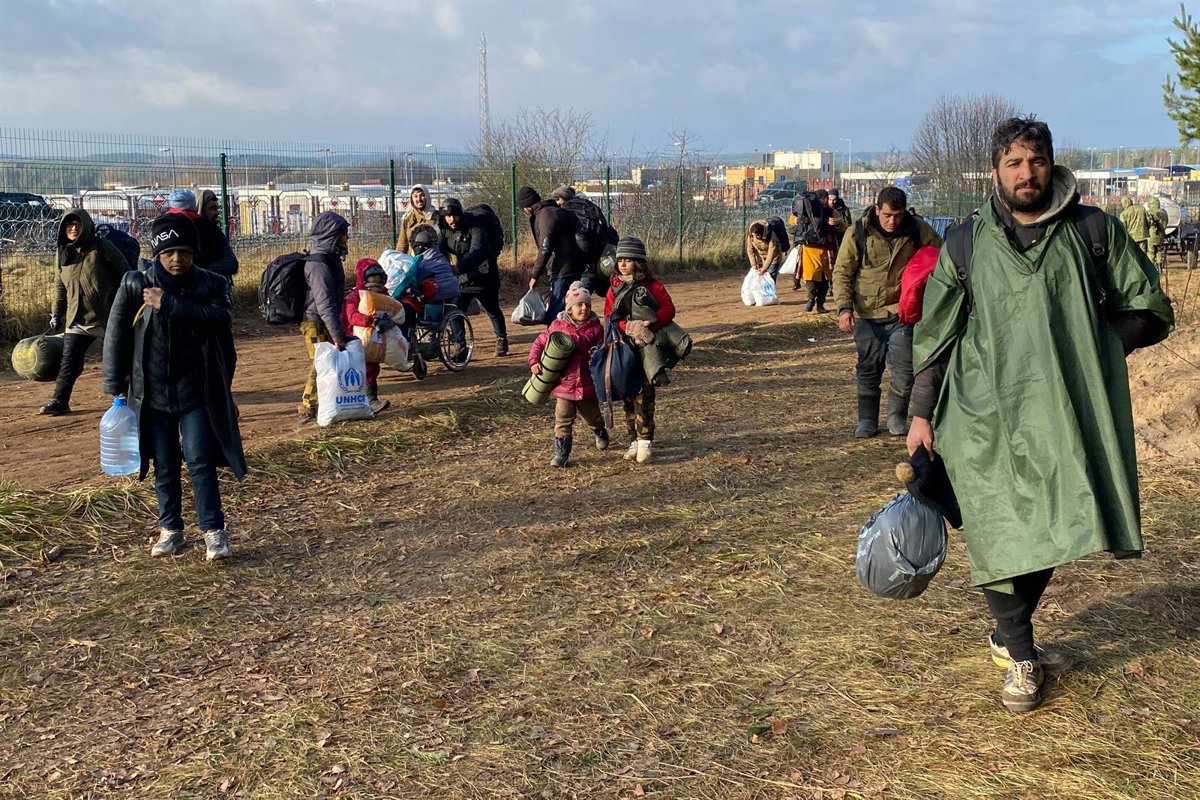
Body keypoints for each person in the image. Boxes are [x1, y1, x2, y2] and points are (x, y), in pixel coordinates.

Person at [910, 116, 1173, 713]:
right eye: (1013, 163)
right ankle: (1021, 655)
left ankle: (1007, 636)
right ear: (994, 172)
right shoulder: (966, 243)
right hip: (982, 412)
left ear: (1051, 165)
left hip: (1064, 411)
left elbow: (1148, 306)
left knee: (1057, 516)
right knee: (998, 525)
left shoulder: (1091, 229)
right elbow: (936, 337)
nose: (1025, 173)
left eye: (1036, 161)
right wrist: (920, 414)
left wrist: (1101, 347)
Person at [102, 213, 246, 562]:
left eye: (184, 252)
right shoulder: (135, 284)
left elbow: (220, 318)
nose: (177, 259)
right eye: (169, 252)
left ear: (194, 253)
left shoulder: (211, 284)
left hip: (196, 391)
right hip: (151, 393)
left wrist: (169, 304)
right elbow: (116, 335)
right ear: (157, 253)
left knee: (200, 459)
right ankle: (171, 529)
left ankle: (213, 531)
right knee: (164, 464)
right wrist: (115, 385)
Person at [833, 186, 942, 438]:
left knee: (905, 371)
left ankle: (897, 418)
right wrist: (844, 308)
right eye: (887, 215)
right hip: (866, 314)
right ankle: (867, 420)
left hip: (901, 314)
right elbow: (842, 273)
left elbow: (942, 255)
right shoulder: (857, 233)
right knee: (869, 370)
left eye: (898, 215)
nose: (893, 221)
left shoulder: (917, 229)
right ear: (877, 209)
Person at [40, 208, 131, 416]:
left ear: (86, 226)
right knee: (69, 362)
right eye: (69, 225)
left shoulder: (101, 247)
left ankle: (126, 399)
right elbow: (60, 287)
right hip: (78, 319)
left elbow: (126, 273)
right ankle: (60, 400)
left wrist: (125, 305)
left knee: (117, 360)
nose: (73, 229)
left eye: (77, 224)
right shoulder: (63, 253)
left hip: (107, 316)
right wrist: (56, 314)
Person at [604, 236, 675, 465]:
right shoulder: (614, 287)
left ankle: (645, 439)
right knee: (627, 393)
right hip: (623, 349)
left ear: (639, 261)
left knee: (645, 394)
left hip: (647, 348)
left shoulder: (653, 285)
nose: (623, 264)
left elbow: (669, 309)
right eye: (620, 260)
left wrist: (648, 325)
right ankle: (633, 439)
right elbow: (609, 316)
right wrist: (627, 326)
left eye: (628, 259)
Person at [528, 281, 608, 468]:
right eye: (579, 305)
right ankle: (561, 454)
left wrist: (600, 353)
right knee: (563, 419)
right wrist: (534, 362)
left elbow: (605, 350)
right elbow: (539, 343)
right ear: (569, 309)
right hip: (564, 385)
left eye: (587, 305)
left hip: (587, 385)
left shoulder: (596, 328)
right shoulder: (558, 326)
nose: (584, 308)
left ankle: (600, 431)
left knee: (593, 416)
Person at [166, 189, 239, 382]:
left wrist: (198, 272)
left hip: (210, 300)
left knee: (225, 355)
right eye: (211, 208)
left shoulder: (211, 232)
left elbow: (231, 263)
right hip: (182, 301)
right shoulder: (172, 231)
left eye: (217, 208)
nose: (216, 213)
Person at [297, 211, 351, 428]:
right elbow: (325, 304)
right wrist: (338, 336)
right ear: (332, 234)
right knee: (320, 365)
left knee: (324, 363)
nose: (346, 238)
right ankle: (307, 410)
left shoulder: (329, 258)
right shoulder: (319, 264)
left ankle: (322, 407)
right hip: (314, 322)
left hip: (321, 320)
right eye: (343, 234)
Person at [437, 198, 508, 357]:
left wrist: (458, 268)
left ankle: (501, 339)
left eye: (455, 215)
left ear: (461, 214)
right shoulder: (444, 231)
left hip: (485, 274)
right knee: (454, 310)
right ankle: (460, 346)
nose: (452, 219)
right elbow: (438, 250)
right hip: (463, 277)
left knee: (492, 309)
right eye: (448, 216)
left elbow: (477, 251)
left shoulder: (476, 228)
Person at [520, 185, 583, 323]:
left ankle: (553, 334)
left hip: (562, 268)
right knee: (568, 304)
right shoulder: (551, 211)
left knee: (556, 305)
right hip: (572, 264)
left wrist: (535, 275)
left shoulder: (545, 215)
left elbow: (545, 247)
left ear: (526, 206)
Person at [343, 258, 395, 414]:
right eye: (372, 277)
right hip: (354, 336)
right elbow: (352, 316)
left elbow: (393, 309)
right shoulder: (354, 296)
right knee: (366, 367)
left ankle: (370, 400)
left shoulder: (384, 295)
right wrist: (372, 321)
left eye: (379, 276)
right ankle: (370, 401)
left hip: (373, 336)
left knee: (372, 366)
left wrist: (390, 321)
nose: (376, 280)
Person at [552, 184, 618, 293]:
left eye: (557, 198)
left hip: (571, 264)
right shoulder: (591, 207)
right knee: (584, 296)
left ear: (563, 197)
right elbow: (610, 233)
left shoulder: (564, 212)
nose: (556, 202)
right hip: (594, 263)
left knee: (572, 298)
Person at [799, 190, 834, 312]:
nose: (824, 201)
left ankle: (820, 304)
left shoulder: (830, 212)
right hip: (809, 251)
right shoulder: (804, 211)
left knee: (824, 280)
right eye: (822, 198)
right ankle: (811, 299)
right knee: (810, 279)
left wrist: (836, 223)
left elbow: (843, 225)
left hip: (826, 251)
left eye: (825, 198)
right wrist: (803, 220)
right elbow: (793, 222)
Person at [397, 184, 438, 254]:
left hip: (433, 259)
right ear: (412, 199)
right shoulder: (407, 218)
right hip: (413, 259)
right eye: (415, 196)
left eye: (422, 195)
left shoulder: (437, 217)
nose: (419, 199)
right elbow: (402, 245)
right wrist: (398, 258)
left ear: (427, 197)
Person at [1146, 196, 1169, 266]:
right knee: (1159, 250)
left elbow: (1147, 223)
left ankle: (1151, 267)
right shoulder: (1164, 212)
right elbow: (1166, 222)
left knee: (1150, 252)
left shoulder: (1149, 212)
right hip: (1161, 235)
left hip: (1151, 236)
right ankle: (1159, 265)